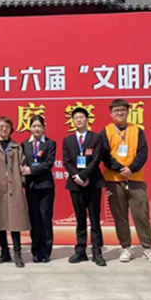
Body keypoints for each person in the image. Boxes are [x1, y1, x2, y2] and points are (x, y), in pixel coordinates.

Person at [101, 99, 151, 264]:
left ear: (128, 112)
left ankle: (147, 247)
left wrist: (131, 169)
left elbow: (143, 152)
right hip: (114, 180)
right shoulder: (106, 131)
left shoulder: (137, 130)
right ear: (111, 114)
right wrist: (120, 169)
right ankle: (126, 247)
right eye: (116, 110)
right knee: (119, 216)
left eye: (122, 110)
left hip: (135, 178)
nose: (119, 113)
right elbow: (104, 154)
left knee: (141, 214)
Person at [0, 116, 31, 268]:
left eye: (7, 127)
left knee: (15, 222)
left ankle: (17, 253)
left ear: (11, 129)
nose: (4, 129)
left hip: (14, 188)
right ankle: (4, 252)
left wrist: (21, 181)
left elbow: (23, 165)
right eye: (1, 126)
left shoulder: (16, 146)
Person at [63, 107, 107, 267]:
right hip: (75, 185)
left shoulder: (96, 138)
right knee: (80, 219)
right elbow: (67, 161)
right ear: (73, 121)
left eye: (82, 117)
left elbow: (96, 159)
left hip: (93, 183)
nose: (79, 120)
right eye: (76, 118)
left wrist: (84, 176)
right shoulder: (68, 140)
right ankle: (80, 251)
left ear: (87, 119)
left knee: (95, 219)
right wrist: (77, 177)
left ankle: (97, 252)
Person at [21, 116, 56, 263]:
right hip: (31, 187)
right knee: (34, 219)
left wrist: (31, 170)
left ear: (44, 128)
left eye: (39, 126)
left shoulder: (50, 143)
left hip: (46, 186)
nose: (36, 129)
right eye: (34, 126)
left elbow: (48, 163)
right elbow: (22, 163)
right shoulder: (24, 144)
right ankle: (36, 251)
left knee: (45, 218)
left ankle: (46, 251)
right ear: (30, 128)